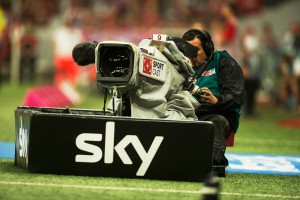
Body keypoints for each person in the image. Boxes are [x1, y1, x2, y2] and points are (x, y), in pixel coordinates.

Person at [182, 29, 246, 166]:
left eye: (195, 50)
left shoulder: (222, 60)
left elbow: (237, 96)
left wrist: (216, 100)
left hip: (214, 114)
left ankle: (212, 162)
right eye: (188, 50)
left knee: (217, 122)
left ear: (208, 47)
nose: (191, 55)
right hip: (184, 112)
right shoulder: (180, 64)